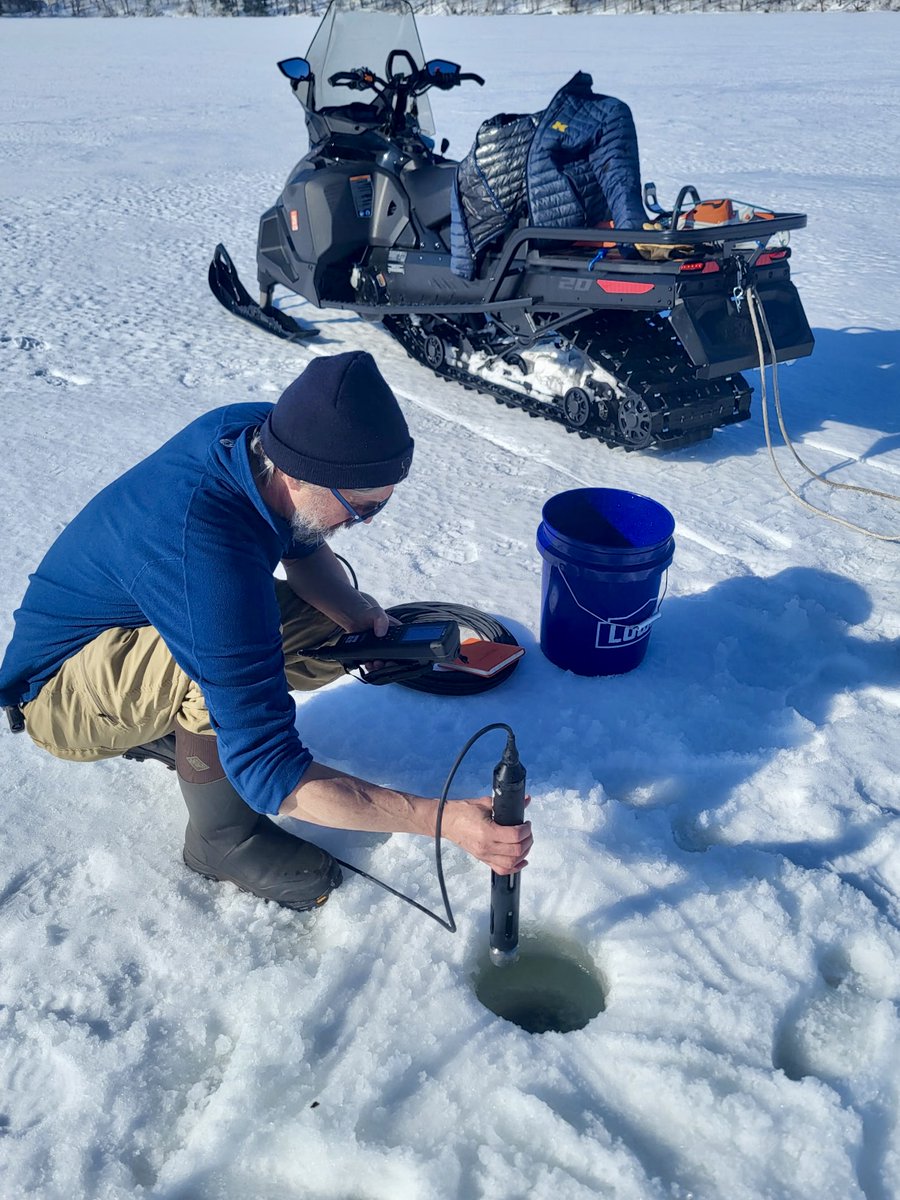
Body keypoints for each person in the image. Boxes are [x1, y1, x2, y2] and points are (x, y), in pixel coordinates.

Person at [0, 351, 532, 912]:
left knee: (325, 623)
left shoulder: (266, 437)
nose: (363, 523)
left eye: (378, 507)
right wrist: (442, 820)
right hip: (58, 698)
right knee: (211, 666)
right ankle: (222, 841)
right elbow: (273, 772)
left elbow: (301, 538)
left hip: (134, 629)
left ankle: (190, 730)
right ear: (299, 474)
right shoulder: (206, 561)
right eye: (359, 508)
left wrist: (356, 616)